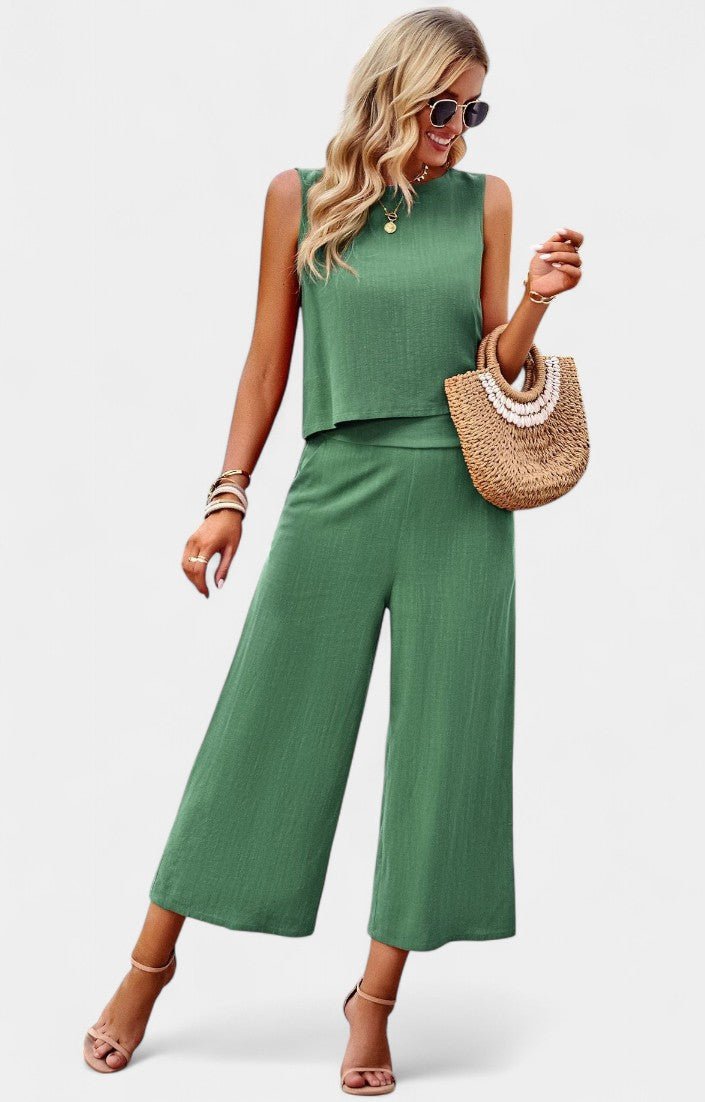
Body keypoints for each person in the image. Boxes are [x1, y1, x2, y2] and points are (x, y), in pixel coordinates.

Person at [84, 7, 583, 1094]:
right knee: (264, 723)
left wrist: (533, 307)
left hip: (459, 496)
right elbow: (267, 358)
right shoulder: (300, 196)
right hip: (337, 483)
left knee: (443, 745)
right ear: (392, 91)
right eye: (442, 106)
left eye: (474, 111)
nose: (457, 130)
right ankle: (149, 966)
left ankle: (375, 1002)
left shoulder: (486, 202)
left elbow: (492, 362)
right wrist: (228, 495)